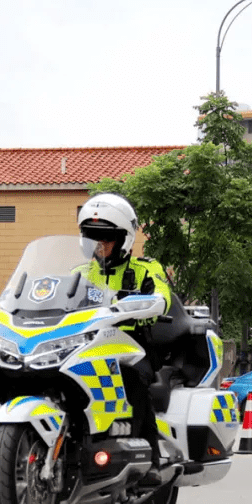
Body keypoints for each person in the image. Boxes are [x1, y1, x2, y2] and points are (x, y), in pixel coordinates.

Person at [78, 193, 171, 487]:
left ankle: (152, 459)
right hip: (85, 346)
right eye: (92, 238)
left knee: (130, 378)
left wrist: (148, 302)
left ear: (124, 240)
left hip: (130, 345)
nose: (99, 245)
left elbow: (162, 297)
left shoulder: (144, 269)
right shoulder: (78, 274)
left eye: (106, 238)